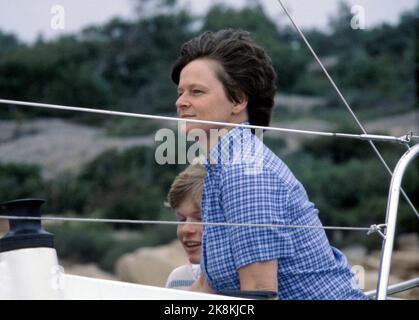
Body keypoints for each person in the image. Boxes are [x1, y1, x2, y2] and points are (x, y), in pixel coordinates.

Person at [170, 29, 367, 300]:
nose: (181, 102)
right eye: (180, 92)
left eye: (196, 92)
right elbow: (206, 287)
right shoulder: (218, 169)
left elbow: (260, 296)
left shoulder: (246, 172)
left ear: (238, 100)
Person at [164, 163, 206, 290]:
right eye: (181, 219)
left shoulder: (254, 282)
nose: (185, 229)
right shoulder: (178, 280)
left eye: (200, 218)